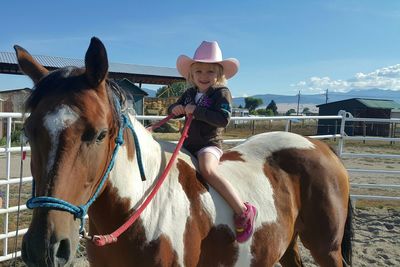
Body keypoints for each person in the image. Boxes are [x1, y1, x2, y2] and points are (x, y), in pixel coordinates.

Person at [168, 41, 257, 243]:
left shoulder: (221, 93)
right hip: (188, 143)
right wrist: (175, 109)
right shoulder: (190, 93)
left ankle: (243, 210)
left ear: (219, 74)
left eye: (210, 71)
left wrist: (196, 111)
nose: (204, 76)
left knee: (207, 170)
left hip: (209, 144)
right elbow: (172, 109)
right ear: (191, 75)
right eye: (198, 71)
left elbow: (222, 119)